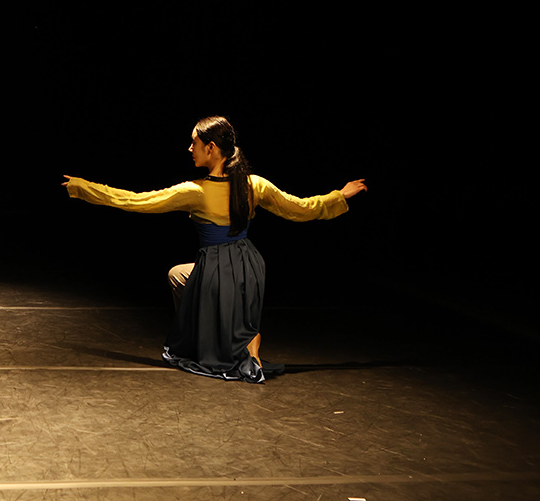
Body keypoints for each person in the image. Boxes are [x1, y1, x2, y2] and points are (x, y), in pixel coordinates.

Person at [63, 115, 366, 384]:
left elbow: (135, 201)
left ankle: (207, 338)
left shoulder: (195, 191)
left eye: (194, 143)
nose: (189, 149)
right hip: (250, 266)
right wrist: (340, 195)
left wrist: (83, 188)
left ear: (210, 148)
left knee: (179, 276)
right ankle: (245, 346)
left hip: (217, 268)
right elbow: (301, 208)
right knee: (182, 275)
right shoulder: (254, 184)